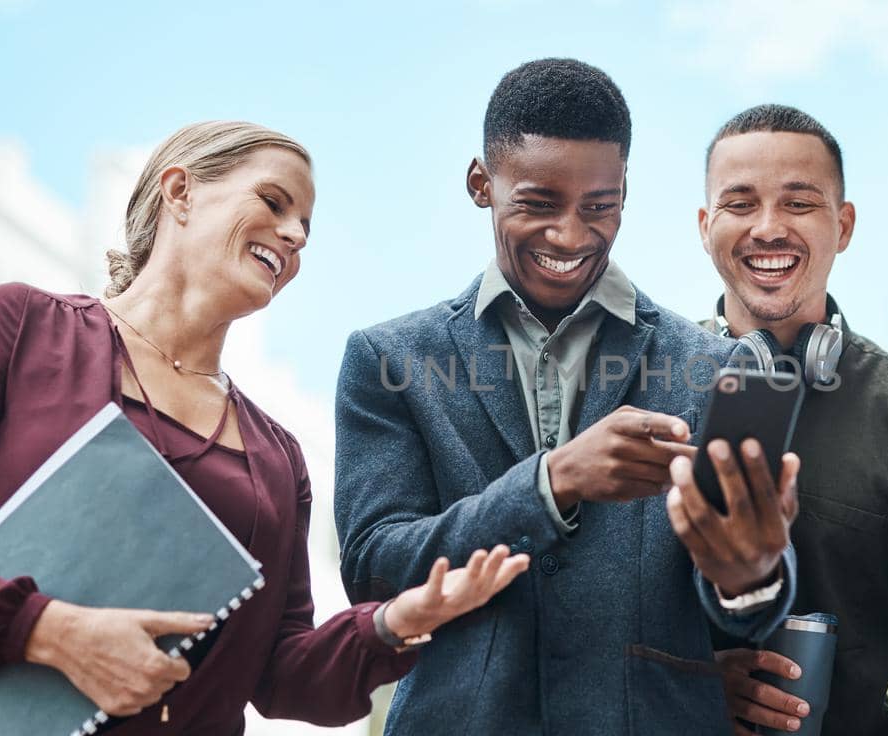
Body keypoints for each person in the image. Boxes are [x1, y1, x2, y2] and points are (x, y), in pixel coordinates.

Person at [0, 121, 528, 735]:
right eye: (275, 203)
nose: (294, 236)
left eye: (306, 229)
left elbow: (278, 674)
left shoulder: (277, 457)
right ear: (181, 191)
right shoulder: (23, 330)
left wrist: (395, 620)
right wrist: (51, 631)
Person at [334, 58, 801, 735]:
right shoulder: (390, 359)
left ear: (624, 192)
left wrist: (750, 574)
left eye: (600, 207)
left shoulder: (715, 366)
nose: (570, 236)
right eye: (538, 204)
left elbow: (751, 612)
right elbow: (376, 573)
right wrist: (552, 483)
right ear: (480, 184)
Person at [696, 104, 888, 735]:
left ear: (842, 225)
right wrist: (689, 678)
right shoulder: (636, 397)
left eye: (799, 203)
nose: (768, 228)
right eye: (740, 204)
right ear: (705, 225)